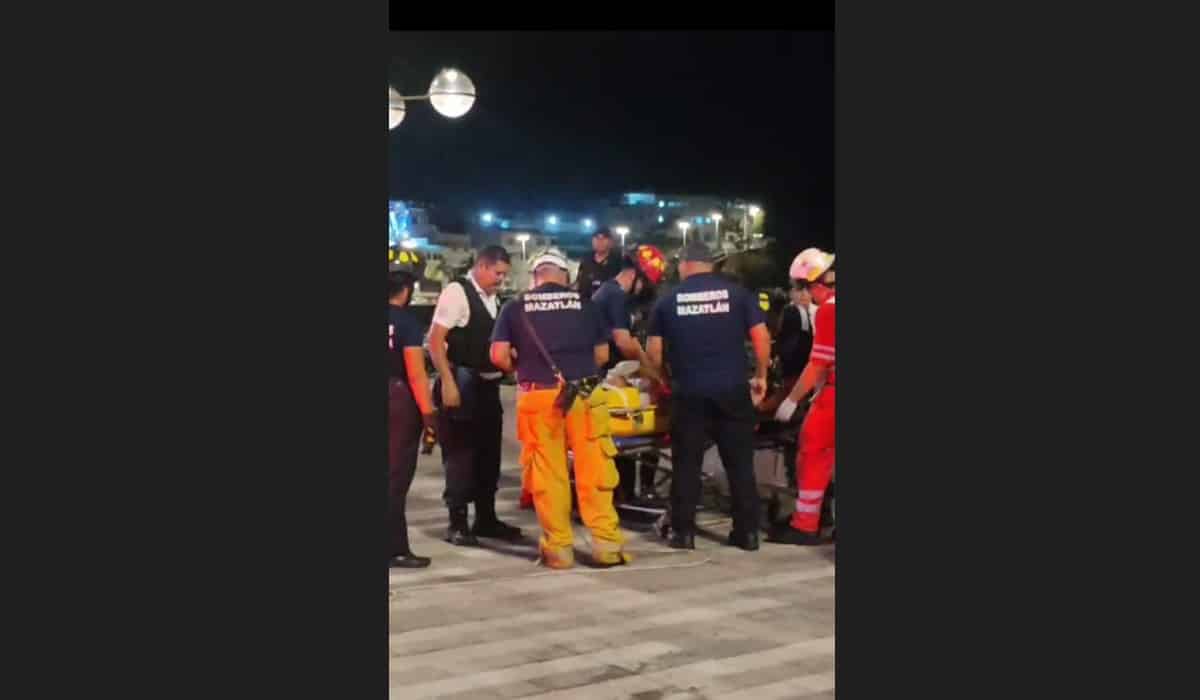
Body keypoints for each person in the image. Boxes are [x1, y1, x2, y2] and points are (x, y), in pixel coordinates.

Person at [490, 247, 629, 569]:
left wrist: (522, 368)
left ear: (535, 275)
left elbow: (498, 356)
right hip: (586, 395)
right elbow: (601, 355)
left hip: (539, 397)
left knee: (548, 474)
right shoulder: (586, 304)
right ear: (565, 275)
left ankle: (559, 550)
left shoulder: (515, 306)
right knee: (594, 470)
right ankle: (607, 546)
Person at [646, 241, 772, 551]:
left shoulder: (667, 300)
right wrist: (761, 375)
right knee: (740, 464)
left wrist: (662, 383)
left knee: (686, 464)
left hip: (689, 391)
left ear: (685, 264)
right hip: (732, 389)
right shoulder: (738, 295)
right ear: (711, 264)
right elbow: (761, 337)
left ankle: (683, 533)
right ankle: (747, 533)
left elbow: (654, 352)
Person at [427, 245, 522, 546]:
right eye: (498, 273)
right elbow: (435, 340)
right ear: (482, 266)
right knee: (460, 455)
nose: (501, 280)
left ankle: (486, 519)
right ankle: (457, 523)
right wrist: (447, 382)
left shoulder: (495, 299)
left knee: (488, 454)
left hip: (488, 386)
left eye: (504, 275)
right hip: (462, 381)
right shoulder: (457, 292)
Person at [592, 245, 668, 505]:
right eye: (645, 283)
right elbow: (625, 342)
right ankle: (629, 493)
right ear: (635, 275)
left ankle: (628, 492)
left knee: (629, 436)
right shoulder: (614, 296)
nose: (644, 289)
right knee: (632, 430)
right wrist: (652, 372)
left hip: (615, 373)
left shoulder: (611, 293)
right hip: (610, 375)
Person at [771, 248, 836, 545]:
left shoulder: (829, 310)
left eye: (802, 287)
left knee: (812, 451)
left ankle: (805, 524)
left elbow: (818, 363)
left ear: (814, 284)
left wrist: (791, 400)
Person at [389, 270, 436, 568]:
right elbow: (416, 373)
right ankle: (395, 549)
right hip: (397, 401)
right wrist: (429, 415)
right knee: (395, 478)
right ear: (406, 291)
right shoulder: (406, 322)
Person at [775, 282, 816, 387]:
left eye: (807, 290)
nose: (803, 294)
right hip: (792, 367)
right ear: (791, 293)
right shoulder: (785, 312)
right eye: (799, 290)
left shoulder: (820, 311)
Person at [575, 228, 624, 299]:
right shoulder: (586, 259)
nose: (600, 241)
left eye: (604, 238)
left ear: (611, 242)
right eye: (597, 238)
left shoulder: (618, 262)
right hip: (585, 302)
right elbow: (578, 283)